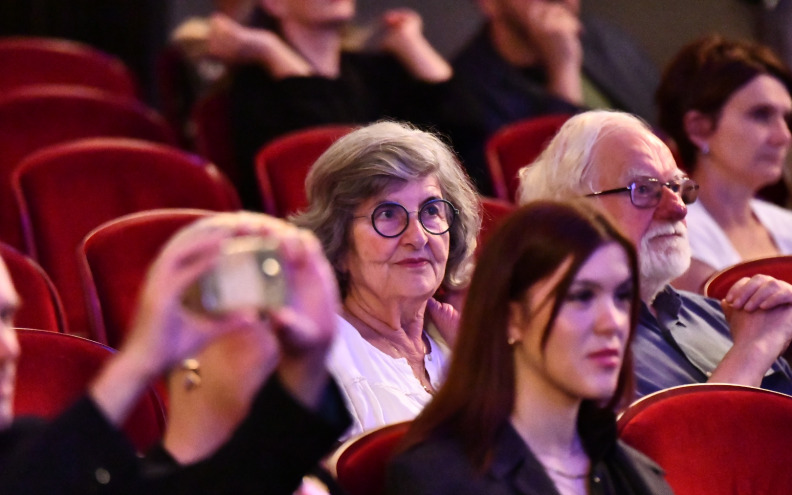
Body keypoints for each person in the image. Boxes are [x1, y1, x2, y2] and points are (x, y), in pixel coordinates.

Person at [0, 212, 350, 494]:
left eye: (6, 317)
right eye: (261, 314)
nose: (10, 348)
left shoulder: (24, 449)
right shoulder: (42, 465)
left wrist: (307, 363)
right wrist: (141, 359)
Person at [386, 201, 674, 495]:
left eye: (622, 296)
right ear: (511, 318)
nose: (612, 323)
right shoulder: (440, 478)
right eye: (581, 296)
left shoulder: (634, 473)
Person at [517, 110, 792, 398]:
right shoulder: (569, 345)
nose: (679, 209)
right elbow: (681, 444)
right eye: (644, 190)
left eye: (677, 187)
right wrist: (752, 352)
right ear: (568, 212)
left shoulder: (722, 316)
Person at [293, 121, 480, 437]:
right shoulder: (324, 369)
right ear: (338, 246)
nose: (417, 237)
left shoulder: (460, 348)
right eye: (388, 215)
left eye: (431, 210)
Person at [216, 0, 483, 207]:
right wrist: (272, 51)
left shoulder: (372, 72)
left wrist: (415, 46)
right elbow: (325, 157)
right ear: (274, 3)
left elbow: (463, 143)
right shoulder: (257, 87)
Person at [452, 0, 659, 184]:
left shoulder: (605, 39)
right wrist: (563, 69)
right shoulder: (465, 96)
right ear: (489, 3)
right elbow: (546, 191)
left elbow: (662, 130)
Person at [655, 35, 792, 293]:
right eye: (761, 114)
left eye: (786, 119)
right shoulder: (673, 235)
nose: (783, 136)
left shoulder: (786, 224)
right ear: (699, 129)